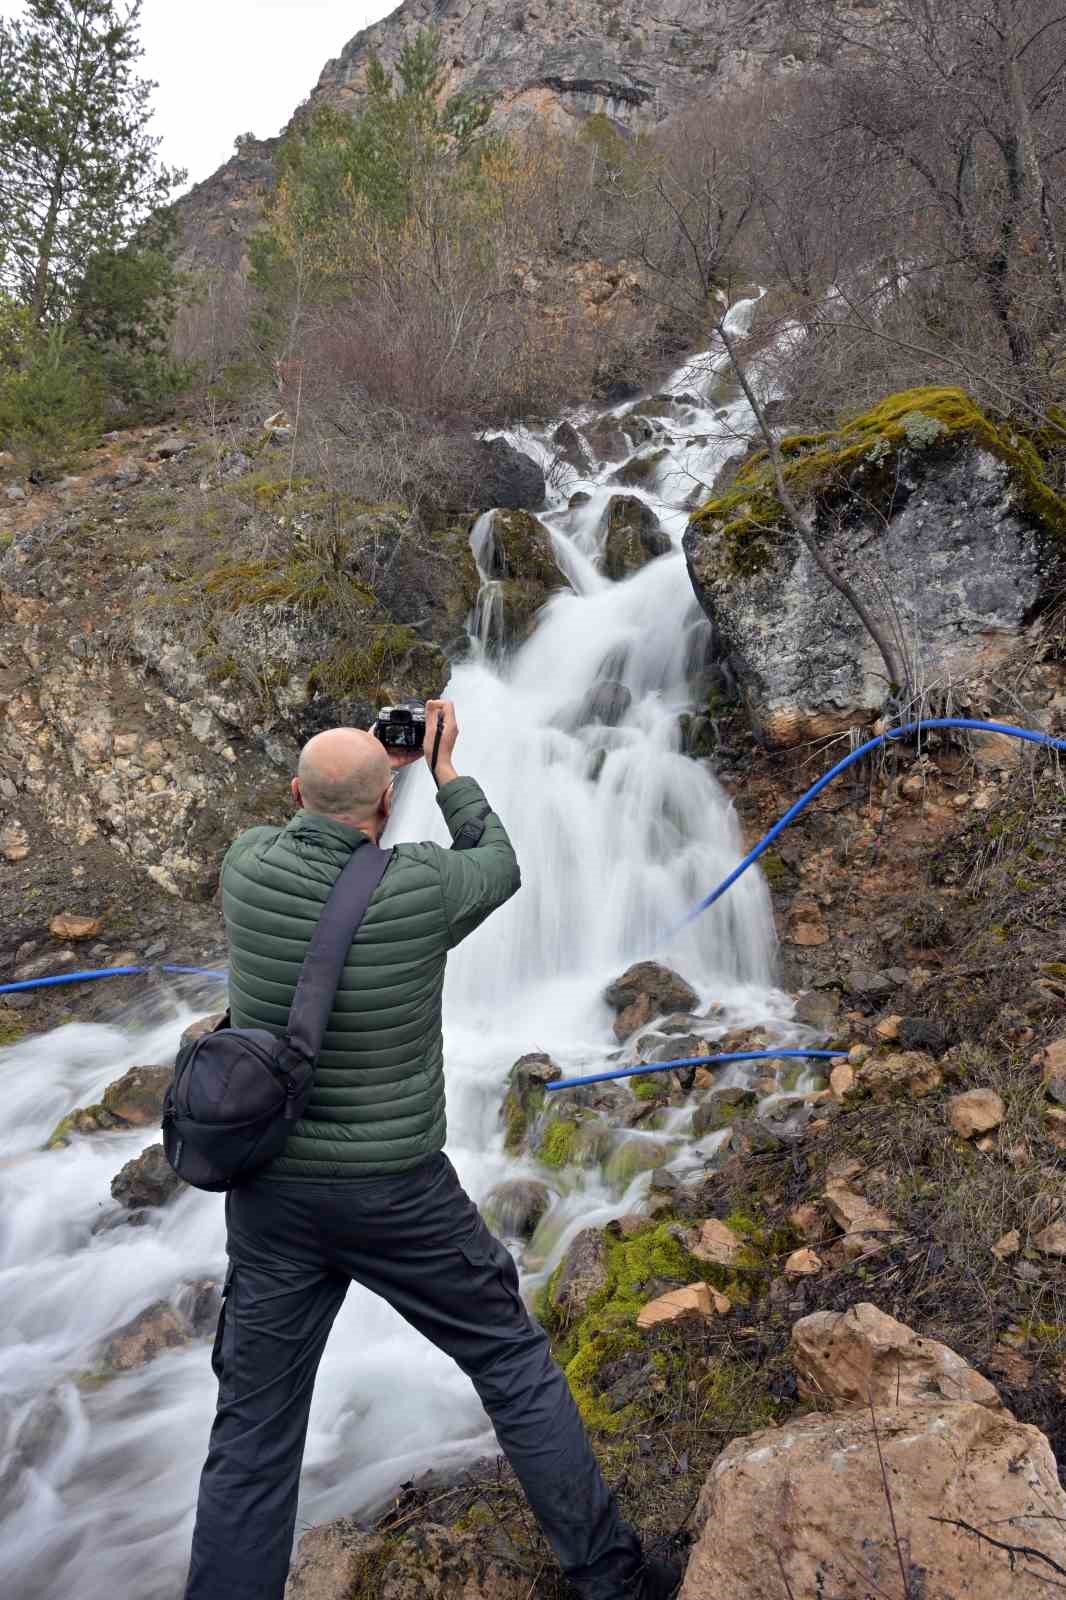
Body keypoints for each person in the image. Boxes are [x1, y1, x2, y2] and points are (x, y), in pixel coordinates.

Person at [183, 700, 682, 1600]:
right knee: (509, 1363)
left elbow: (314, 822)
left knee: (253, 1435)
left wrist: (366, 777)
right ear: (386, 806)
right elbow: (497, 864)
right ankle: (613, 1581)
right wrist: (442, 772)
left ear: (294, 794)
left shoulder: (245, 868)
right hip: (397, 1194)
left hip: (273, 1191)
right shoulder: (419, 891)